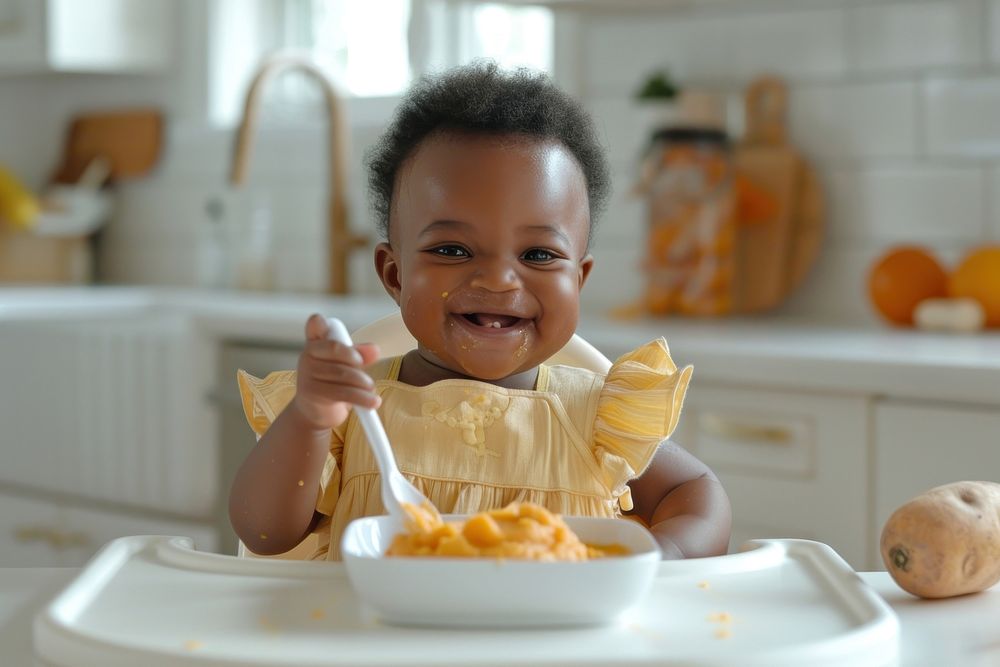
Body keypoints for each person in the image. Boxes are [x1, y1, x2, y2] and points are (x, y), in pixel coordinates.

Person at [229, 61, 731, 561]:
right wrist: (310, 420)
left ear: (578, 281)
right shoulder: (355, 416)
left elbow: (694, 492)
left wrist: (666, 554)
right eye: (452, 250)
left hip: (559, 639)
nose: (497, 280)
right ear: (395, 275)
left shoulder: (597, 420)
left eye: (537, 255)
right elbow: (264, 533)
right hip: (379, 638)